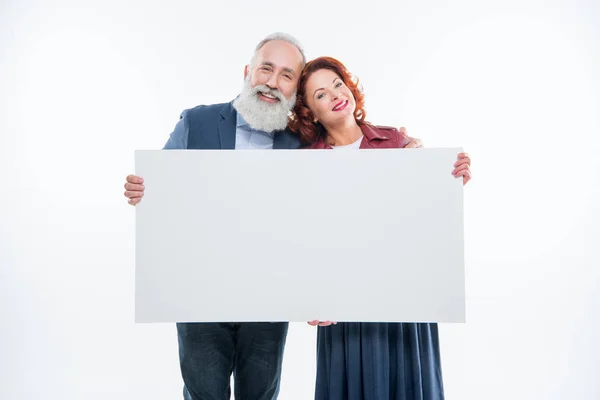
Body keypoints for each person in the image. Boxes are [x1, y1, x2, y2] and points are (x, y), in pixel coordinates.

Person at [123, 33, 425, 400]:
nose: (272, 82)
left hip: (268, 299)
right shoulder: (196, 122)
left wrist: (412, 155)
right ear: (248, 71)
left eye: (286, 75)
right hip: (200, 296)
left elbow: (343, 199)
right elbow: (161, 189)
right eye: (266, 69)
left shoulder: (301, 141)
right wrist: (143, 192)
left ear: (295, 92)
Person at [288, 56, 471, 400]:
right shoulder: (307, 161)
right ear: (309, 111)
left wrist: (450, 181)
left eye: (338, 84)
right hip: (342, 306)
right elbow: (303, 239)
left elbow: (421, 218)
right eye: (321, 95)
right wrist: (309, 298)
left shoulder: (397, 141)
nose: (336, 95)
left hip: (403, 298)